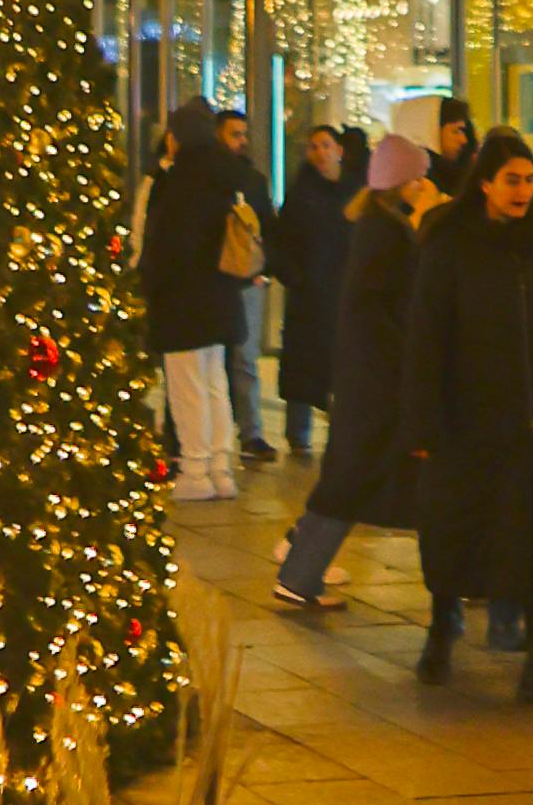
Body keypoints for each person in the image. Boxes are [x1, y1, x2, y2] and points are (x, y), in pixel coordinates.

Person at [403, 119, 533, 710]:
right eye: (513, 180)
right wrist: (423, 424)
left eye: (530, 181)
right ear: (485, 185)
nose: (524, 191)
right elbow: (426, 342)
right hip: (470, 429)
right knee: (455, 536)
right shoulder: (449, 249)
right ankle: (443, 626)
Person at [273, 102, 437, 612]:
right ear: (404, 181)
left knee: (348, 479)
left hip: (367, 380)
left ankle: (300, 572)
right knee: (351, 481)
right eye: (419, 177)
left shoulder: (376, 227)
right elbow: (397, 311)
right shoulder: (389, 234)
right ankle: (300, 572)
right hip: (377, 384)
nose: (423, 185)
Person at [133, 101, 248, 500]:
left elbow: (170, 245)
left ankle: (196, 471)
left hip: (183, 301)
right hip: (219, 298)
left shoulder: (182, 181)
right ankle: (220, 467)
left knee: (187, 386)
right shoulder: (225, 174)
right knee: (215, 382)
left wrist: (148, 281)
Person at [267, 116, 352, 458]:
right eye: (314, 147)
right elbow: (282, 242)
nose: (320, 153)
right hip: (308, 296)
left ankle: (343, 429)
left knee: (342, 365)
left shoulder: (352, 192)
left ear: (339, 151)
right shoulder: (301, 194)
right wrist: (295, 277)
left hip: (343, 294)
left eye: (326, 146)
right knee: (304, 366)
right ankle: (298, 434)